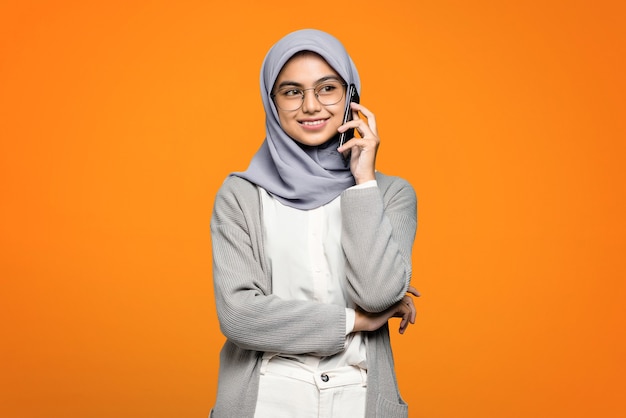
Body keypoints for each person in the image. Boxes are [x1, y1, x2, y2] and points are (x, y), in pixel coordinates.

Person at [210, 29, 419, 418]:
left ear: (351, 97)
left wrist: (363, 182)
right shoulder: (240, 195)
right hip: (266, 398)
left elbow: (377, 293)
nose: (311, 106)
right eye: (292, 92)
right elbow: (239, 316)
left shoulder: (389, 194)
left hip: (358, 397)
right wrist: (356, 321)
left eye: (327, 88)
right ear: (271, 103)